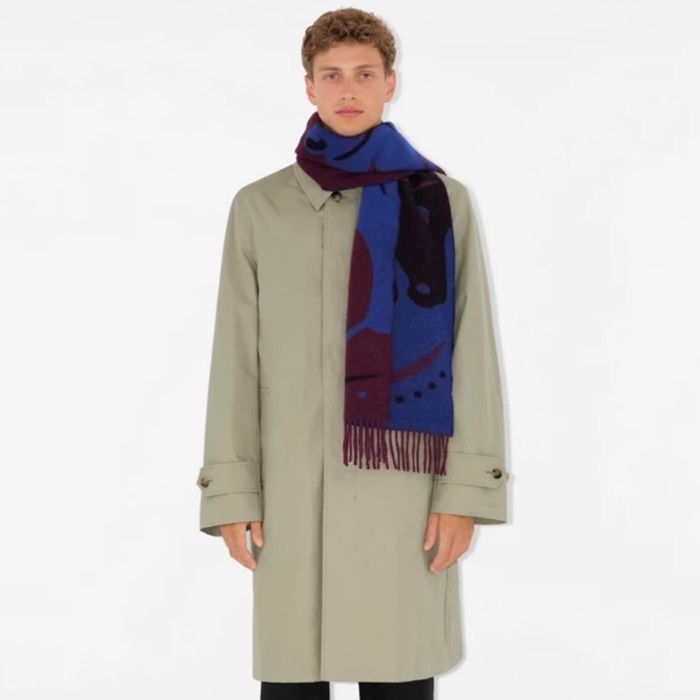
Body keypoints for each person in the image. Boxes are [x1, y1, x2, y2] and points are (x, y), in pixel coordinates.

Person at [195, 7, 509, 700]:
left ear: (390, 83)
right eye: (331, 75)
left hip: (404, 490)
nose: (348, 89)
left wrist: (463, 496)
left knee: (399, 677)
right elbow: (234, 360)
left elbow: (472, 355)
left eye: (364, 74)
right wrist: (233, 492)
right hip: (289, 491)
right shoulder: (260, 207)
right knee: (292, 682)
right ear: (308, 86)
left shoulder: (440, 203)